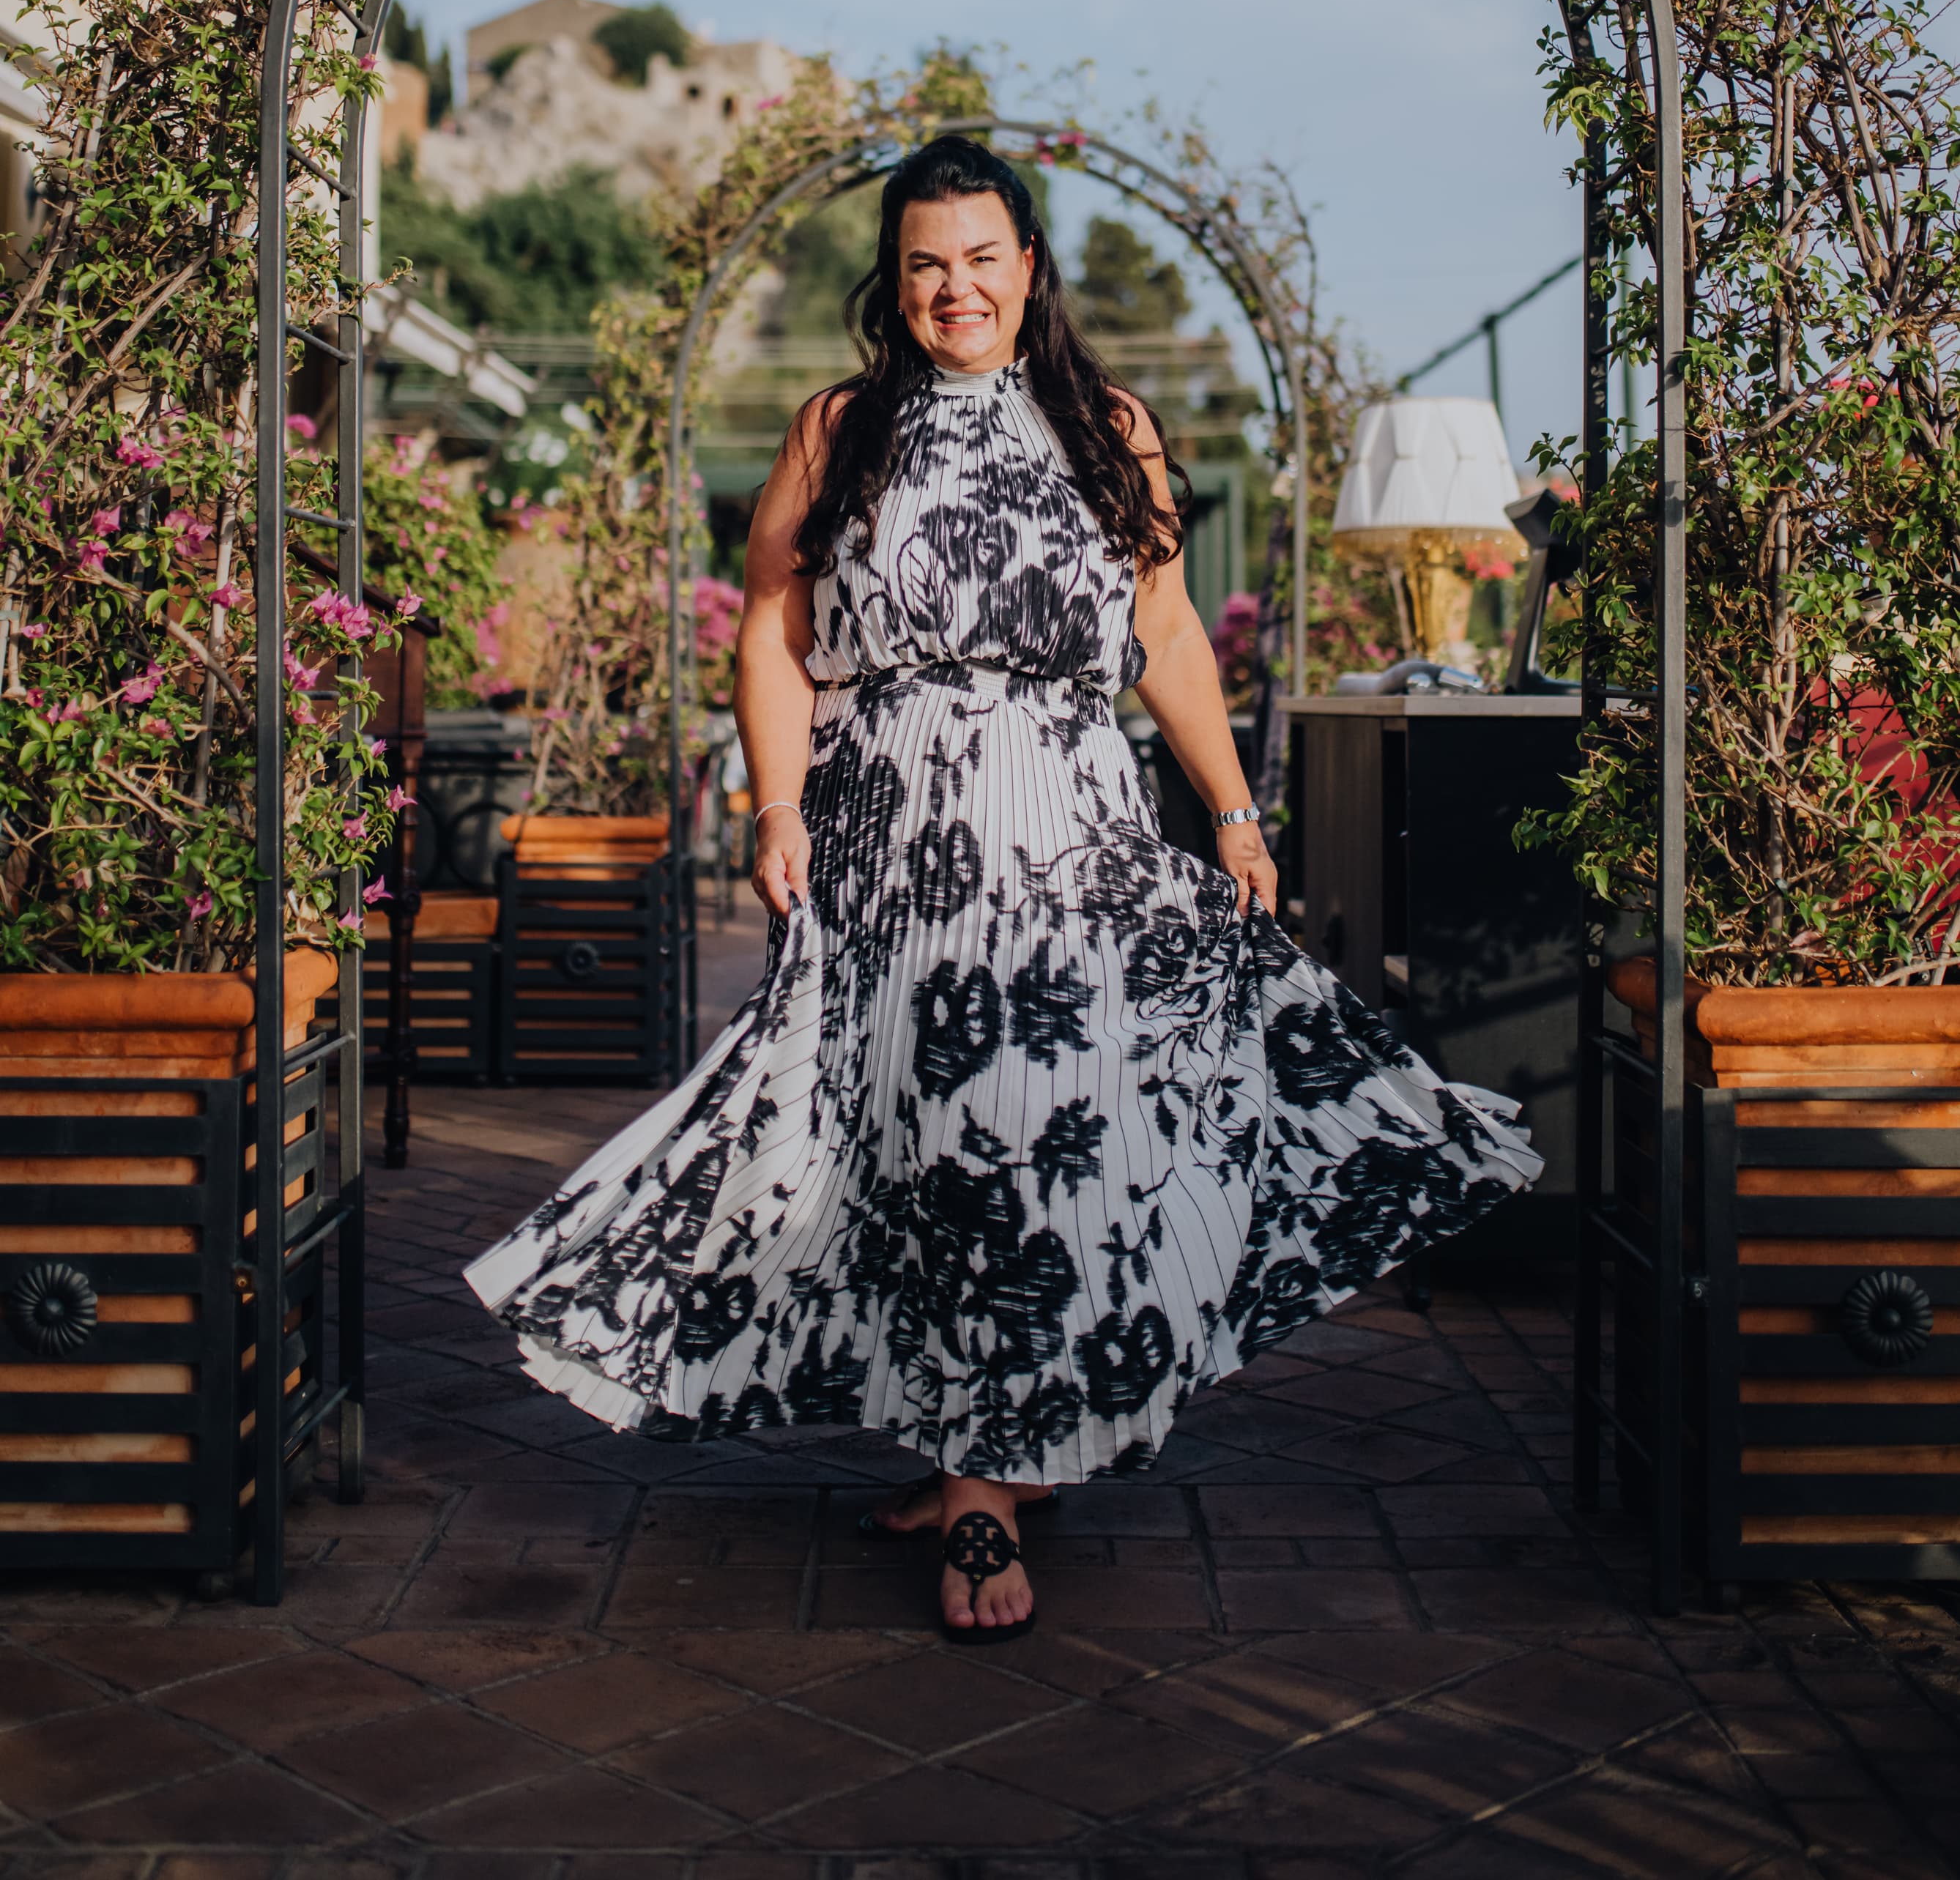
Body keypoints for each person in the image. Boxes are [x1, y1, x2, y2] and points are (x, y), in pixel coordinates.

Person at [465, 135, 1539, 1644]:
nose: (953, 287)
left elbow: (1163, 632)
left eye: (979, 258)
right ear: (892, 283)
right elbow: (773, 633)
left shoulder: (1109, 424)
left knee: (1053, 1126)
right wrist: (777, 805)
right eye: (923, 264)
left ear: (1030, 268)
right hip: (901, 831)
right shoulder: (841, 429)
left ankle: (985, 1469)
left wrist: (1232, 809)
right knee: (927, 1134)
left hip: (1073, 829)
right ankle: (982, 1457)